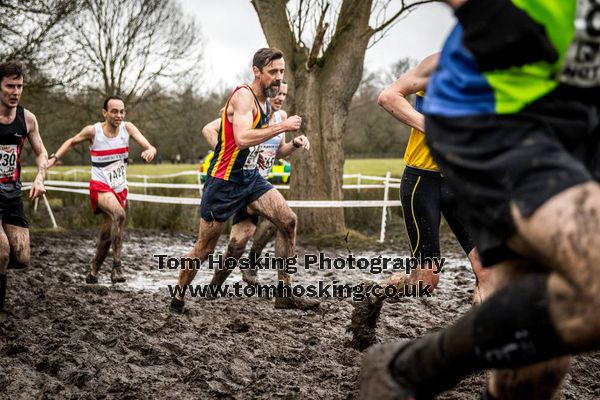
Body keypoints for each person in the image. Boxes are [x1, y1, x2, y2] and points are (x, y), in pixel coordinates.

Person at [360, 1, 600, 399]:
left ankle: (464, 353)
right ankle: (410, 354)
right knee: (427, 280)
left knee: (535, 366)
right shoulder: (437, 63)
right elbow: (388, 96)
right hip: (447, 165)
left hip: (556, 140)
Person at [348, 53, 490, 351]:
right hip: (421, 184)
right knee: (425, 282)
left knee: (487, 269)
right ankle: (373, 296)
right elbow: (388, 97)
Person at [170, 48, 317, 314]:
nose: (278, 77)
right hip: (223, 183)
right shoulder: (243, 96)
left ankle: (284, 294)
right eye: (273, 72)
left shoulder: (265, 102)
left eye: (281, 72)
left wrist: (288, 139)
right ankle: (178, 298)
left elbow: (261, 141)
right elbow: (242, 139)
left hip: (251, 179)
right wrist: (282, 127)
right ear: (256, 71)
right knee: (204, 248)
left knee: (288, 220)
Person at [201, 81, 310, 288]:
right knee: (236, 245)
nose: (280, 97)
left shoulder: (281, 117)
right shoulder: (248, 111)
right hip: (237, 182)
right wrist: (229, 153)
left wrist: (294, 144)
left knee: (279, 223)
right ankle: (218, 283)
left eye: (284, 94)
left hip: (259, 186)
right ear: (266, 91)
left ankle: (256, 268)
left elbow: (278, 152)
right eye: (277, 92)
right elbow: (208, 129)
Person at [48, 96, 157, 284]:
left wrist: (150, 151)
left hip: (119, 187)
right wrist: (53, 158)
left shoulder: (128, 128)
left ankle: (93, 271)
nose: (119, 115)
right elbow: (72, 142)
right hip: (100, 186)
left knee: (107, 236)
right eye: (114, 111)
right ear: (104, 112)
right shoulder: (93, 131)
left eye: (122, 111)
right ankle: (117, 266)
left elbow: (149, 146)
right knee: (120, 215)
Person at [0, 61, 48, 312]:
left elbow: (41, 153)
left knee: (21, 258)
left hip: (12, 193)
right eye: (10, 86)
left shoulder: (27, 119)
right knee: (2, 252)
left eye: (19, 86)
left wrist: (40, 177)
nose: (15, 92)